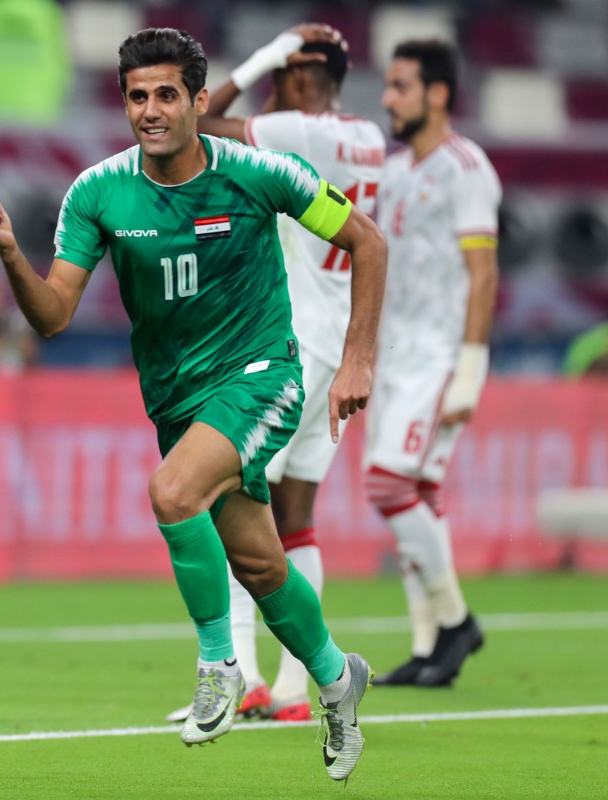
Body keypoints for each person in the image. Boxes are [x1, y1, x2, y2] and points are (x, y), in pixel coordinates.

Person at [0, 28, 386, 781]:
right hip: (176, 398)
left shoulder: (259, 172)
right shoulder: (97, 193)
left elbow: (369, 242)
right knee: (258, 562)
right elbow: (53, 316)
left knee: (172, 492)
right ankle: (337, 677)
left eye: (165, 95)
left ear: (196, 101)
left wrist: (357, 359)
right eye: (136, 96)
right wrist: (6, 250)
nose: (150, 111)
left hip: (262, 375)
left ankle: (219, 666)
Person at [165, 23, 385, 724]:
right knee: (296, 517)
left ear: (294, 76)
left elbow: (193, 120)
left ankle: (245, 679)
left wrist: (261, 54)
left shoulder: (295, 131)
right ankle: (296, 690)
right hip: (335, 343)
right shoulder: (369, 137)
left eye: (279, 73)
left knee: (226, 502)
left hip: (286, 342)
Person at [365, 39, 500, 688]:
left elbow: (483, 274)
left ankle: (455, 622)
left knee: (388, 486)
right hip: (391, 355)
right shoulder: (393, 173)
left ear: (437, 93)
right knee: (412, 494)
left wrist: (469, 369)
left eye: (399, 86)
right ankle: (429, 648)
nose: (388, 98)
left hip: (440, 354)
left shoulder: (465, 168)